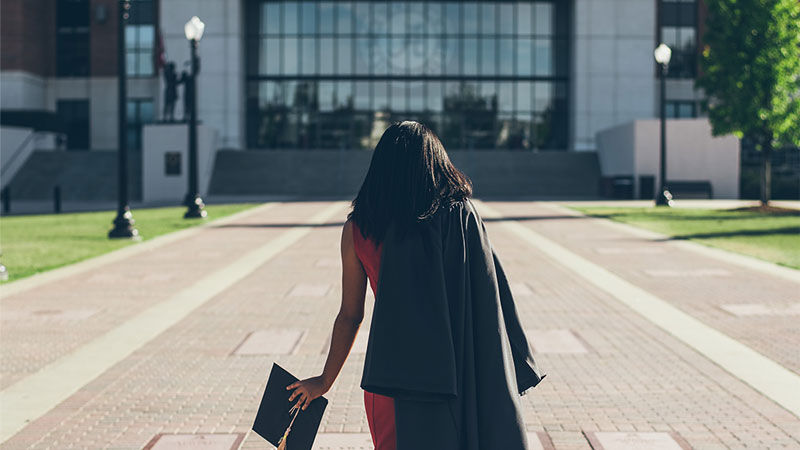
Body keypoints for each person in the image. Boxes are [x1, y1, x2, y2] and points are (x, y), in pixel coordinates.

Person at [286, 121, 546, 449]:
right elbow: (488, 298)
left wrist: (324, 380)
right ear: (435, 163)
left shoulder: (359, 230)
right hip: (459, 371)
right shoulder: (460, 217)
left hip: (392, 376)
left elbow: (350, 315)